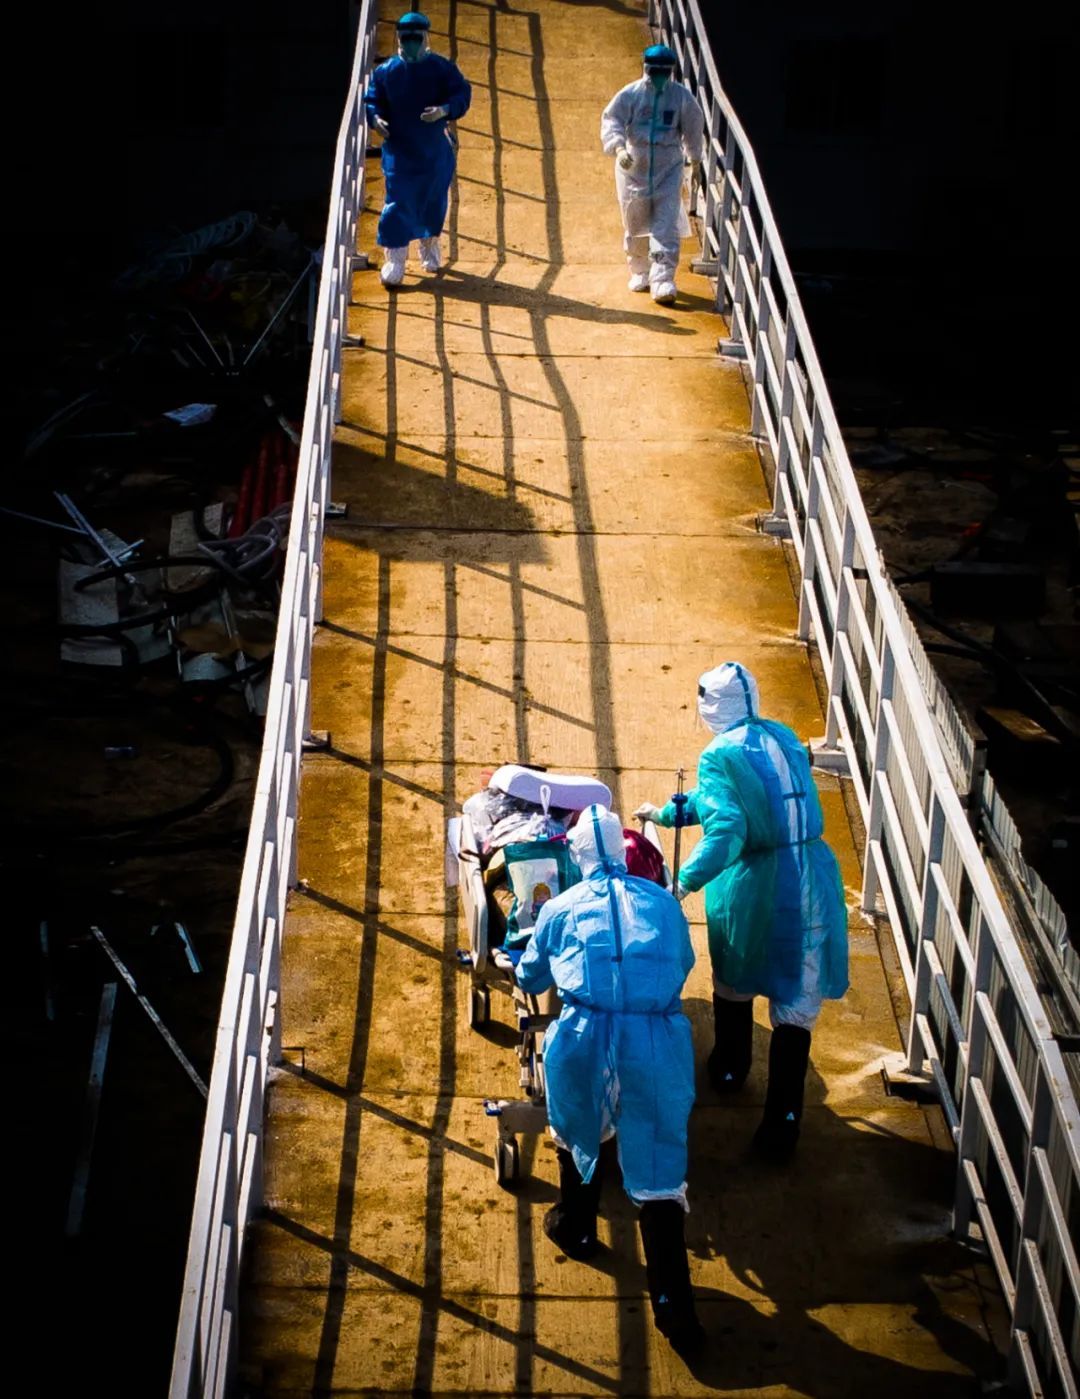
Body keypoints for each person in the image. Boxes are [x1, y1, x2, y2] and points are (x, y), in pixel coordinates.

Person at [634, 662, 849, 1162]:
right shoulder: (785, 736)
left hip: (761, 886)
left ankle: (730, 1068)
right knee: (797, 1005)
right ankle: (782, 1126)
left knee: (736, 972)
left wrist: (680, 884)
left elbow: (727, 829)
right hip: (814, 875)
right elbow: (743, 804)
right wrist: (667, 813)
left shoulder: (719, 754)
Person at [517, 805, 704, 1353]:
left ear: (576, 855)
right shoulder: (664, 905)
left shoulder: (564, 907)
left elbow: (532, 971)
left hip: (586, 1036)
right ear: (623, 853)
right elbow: (685, 962)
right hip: (655, 1042)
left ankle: (577, 1227)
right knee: (660, 1170)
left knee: (580, 1130)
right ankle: (675, 1313)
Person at [364, 12, 471, 287]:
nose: (411, 43)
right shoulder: (387, 72)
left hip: (434, 150)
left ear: (425, 37)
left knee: (433, 201)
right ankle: (395, 259)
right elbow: (373, 98)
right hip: (400, 152)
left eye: (416, 37)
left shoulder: (441, 69)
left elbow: (461, 93)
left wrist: (445, 110)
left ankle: (429, 245)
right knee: (398, 203)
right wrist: (376, 119)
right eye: (406, 37)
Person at [600, 44, 705, 305]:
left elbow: (693, 126)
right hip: (635, 165)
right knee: (634, 222)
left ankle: (663, 279)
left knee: (664, 224)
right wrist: (619, 147)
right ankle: (639, 270)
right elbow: (612, 119)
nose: (657, 76)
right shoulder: (631, 94)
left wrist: (696, 160)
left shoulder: (680, 97)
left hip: (668, 166)